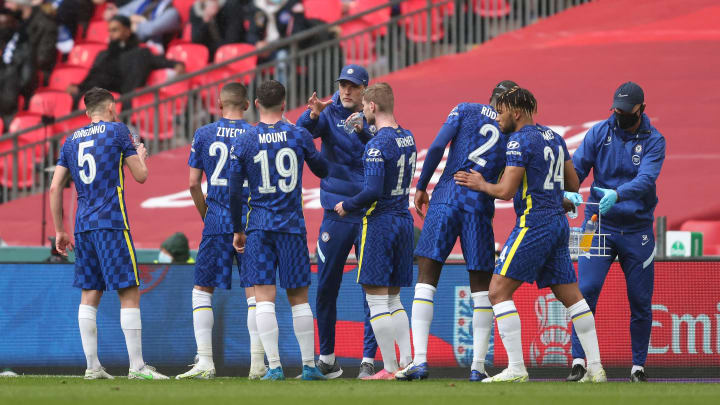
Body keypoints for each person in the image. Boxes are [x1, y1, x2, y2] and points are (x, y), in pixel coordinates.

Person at [454, 86, 606, 383]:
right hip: (558, 223)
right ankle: (597, 368)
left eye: (500, 112)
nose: (497, 118)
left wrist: (481, 183)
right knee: (572, 297)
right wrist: (553, 196)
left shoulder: (518, 141)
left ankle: (516, 368)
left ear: (516, 112)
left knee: (497, 291)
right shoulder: (555, 137)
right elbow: (574, 185)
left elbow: (506, 190)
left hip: (533, 223)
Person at [395, 80, 517, 382]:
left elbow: (437, 146)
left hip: (447, 197)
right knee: (480, 289)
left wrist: (422, 185)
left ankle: (420, 361)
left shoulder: (465, 109)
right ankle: (477, 366)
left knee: (426, 279)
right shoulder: (511, 131)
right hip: (479, 205)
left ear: (491, 98)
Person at [49, 87, 168, 380]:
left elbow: (54, 188)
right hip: (111, 222)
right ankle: (137, 367)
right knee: (128, 291)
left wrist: (59, 230)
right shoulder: (118, 131)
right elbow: (140, 176)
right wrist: (139, 155)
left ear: (86, 112)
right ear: (112, 108)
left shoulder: (70, 140)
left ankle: (92, 367)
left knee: (90, 293)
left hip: (82, 225)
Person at [228, 80, 329, 381]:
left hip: (258, 225)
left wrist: (237, 229)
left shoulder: (244, 140)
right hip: (292, 226)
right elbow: (322, 170)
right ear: (285, 104)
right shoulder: (298, 135)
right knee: (299, 298)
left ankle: (274, 367)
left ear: (257, 104)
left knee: (264, 298)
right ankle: (309, 366)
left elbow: (234, 192)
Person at [567, 82, 665, 383]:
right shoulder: (599, 132)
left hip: (637, 229)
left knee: (639, 299)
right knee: (584, 291)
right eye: (616, 111)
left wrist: (618, 194)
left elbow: (647, 179)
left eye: (625, 112)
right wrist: (568, 191)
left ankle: (638, 367)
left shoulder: (654, 140)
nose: (619, 116)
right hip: (596, 224)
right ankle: (579, 362)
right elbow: (577, 168)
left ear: (641, 110)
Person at [176, 82, 266, 380]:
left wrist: (207, 215)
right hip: (251, 221)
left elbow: (192, 183)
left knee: (202, 289)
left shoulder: (204, 134)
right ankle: (257, 365)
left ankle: (205, 362)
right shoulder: (256, 134)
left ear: (218, 104)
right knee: (254, 293)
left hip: (216, 219)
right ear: (246, 105)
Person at [295, 64, 378, 379]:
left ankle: (368, 359)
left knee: (372, 288)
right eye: (343, 84)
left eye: (353, 86)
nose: (346, 90)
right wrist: (312, 115)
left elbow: (385, 145)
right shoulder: (328, 113)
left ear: (364, 90)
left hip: (369, 214)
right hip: (336, 214)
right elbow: (302, 135)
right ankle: (327, 357)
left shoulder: (373, 115)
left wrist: (364, 130)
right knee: (327, 286)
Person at [335, 82, 416, 380]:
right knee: (394, 299)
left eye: (365, 107)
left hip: (379, 221)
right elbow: (386, 145)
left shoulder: (376, 146)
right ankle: (408, 362)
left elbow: (371, 190)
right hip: (403, 220)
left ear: (372, 107)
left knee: (376, 300)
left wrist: (347, 205)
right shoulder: (408, 137)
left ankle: (391, 368)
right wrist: (362, 134)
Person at [66, 15, 184, 108]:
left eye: (115, 30)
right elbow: (92, 77)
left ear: (127, 31)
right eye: (110, 31)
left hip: (123, 102)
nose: (111, 35)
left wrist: (177, 65)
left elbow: (162, 62)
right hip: (97, 98)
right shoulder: (103, 55)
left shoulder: (140, 53)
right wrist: (79, 88)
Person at [0, 7, 33, 131]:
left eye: (5, 24)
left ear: (14, 24)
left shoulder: (24, 48)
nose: (2, 28)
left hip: (11, 105)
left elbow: (26, 80)